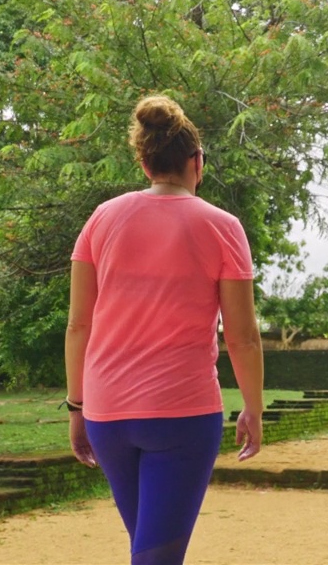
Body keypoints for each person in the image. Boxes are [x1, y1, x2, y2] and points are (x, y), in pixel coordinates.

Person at [64, 94, 264, 565]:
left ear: (143, 160)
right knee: (157, 556)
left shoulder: (102, 219)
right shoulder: (223, 226)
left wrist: (77, 406)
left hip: (107, 414)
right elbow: (242, 336)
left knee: (149, 550)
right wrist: (252, 409)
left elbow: (79, 324)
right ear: (197, 162)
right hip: (183, 414)